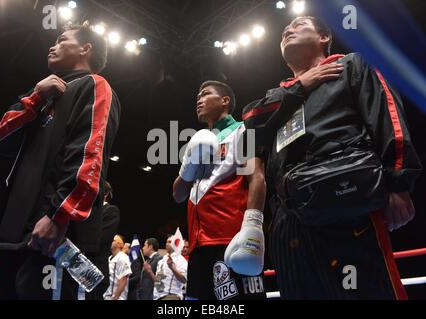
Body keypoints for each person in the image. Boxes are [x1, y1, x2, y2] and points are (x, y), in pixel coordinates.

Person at [242, 16, 422, 299]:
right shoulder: (277, 98)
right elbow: (249, 125)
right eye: (284, 31)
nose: (288, 30)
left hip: (346, 202)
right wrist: (299, 87)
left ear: (324, 37)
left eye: (299, 25)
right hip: (289, 225)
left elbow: (387, 117)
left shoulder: (351, 65)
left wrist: (398, 181)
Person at [0, 21, 121, 300]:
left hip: (51, 236)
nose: (53, 45)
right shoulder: (43, 97)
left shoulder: (94, 85)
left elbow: (89, 153)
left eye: (62, 39)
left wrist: (58, 215)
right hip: (14, 237)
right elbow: (1, 139)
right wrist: (35, 98)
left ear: (86, 48)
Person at [172, 81, 267, 300]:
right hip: (197, 245)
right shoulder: (199, 142)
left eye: (205, 94)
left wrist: (253, 228)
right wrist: (188, 164)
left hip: (230, 241)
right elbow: (178, 195)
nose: (199, 99)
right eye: (197, 95)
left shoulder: (243, 130)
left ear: (225, 101)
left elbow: (257, 177)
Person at [88, 180, 121, 300]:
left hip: (95, 271)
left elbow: (98, 239)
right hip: (77, 270)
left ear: (105, 193)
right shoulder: (86, 210)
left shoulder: (111, 211)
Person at [146, 235, 188, 300]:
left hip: (171, 296)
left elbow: (184, 279)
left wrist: (172, 268)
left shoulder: (181, 260)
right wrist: (150, 271)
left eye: (169, 242)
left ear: (176, 244)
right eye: (166, 242)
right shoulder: (162, 261)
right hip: (158, 296)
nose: (167, 244)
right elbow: (158, 282)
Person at [103, 235, 132, 300]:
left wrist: (116, 297)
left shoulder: (123, 257)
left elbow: (124, 278)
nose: (110, 242)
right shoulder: (109, 258)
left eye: (113, 240)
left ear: (119, 244)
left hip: (117, 298)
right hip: (107, 296)